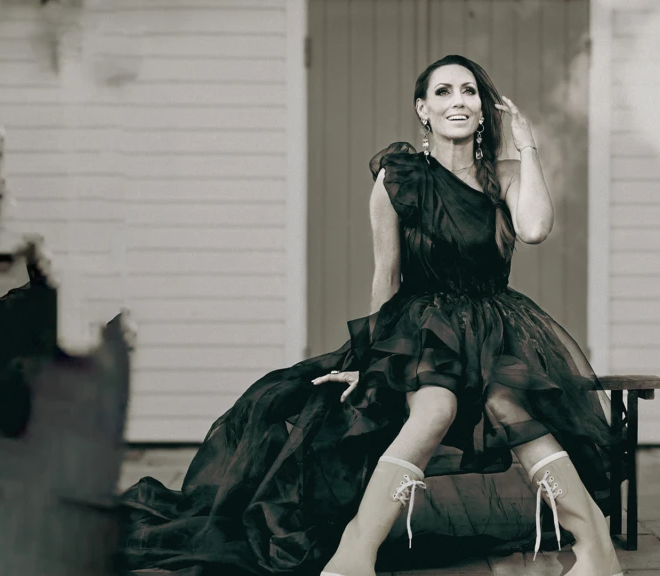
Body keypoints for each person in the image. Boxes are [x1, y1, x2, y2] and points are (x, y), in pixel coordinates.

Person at [118, 54, 625, 576]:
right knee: (434, 409)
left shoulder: (507, 173)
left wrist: (527, 145)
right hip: (424, 329)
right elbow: (386, 273)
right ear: (422, 109)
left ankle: (597, 551)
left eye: (469, 91)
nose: (458, 101)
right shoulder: (398, 178)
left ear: (482, 107)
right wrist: (368, 359)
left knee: (508, 405)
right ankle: (354, 555)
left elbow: (535, 229)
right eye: (444, 92)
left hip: (495, 328)